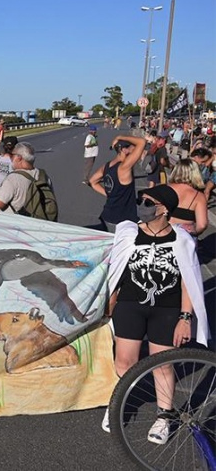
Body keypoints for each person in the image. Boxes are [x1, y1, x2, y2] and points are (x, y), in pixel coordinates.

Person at [103, 184, 208, 442]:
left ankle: (164, 416)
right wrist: (111, 300)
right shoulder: (128, 233)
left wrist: (185, 318)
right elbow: (116, 269)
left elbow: (188, 281)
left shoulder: (182, 240)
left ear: (164, 209)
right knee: (124, 362)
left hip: (166, 308)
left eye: (149, 202)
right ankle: (118, 404)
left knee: (162, 365)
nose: (142, 205)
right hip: (130, 305)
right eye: (141, 200)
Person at [89, 135, 146, 231]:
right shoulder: (124, 167)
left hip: (107, 215)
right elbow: (142, 142)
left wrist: (109, 193)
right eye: (133, 147)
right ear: (124, 150)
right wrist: (120, 137)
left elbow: (92, 181)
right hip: (122, 220)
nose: (135, 150)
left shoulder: (107, 166)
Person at [0, 142, 48, 214]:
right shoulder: (43, 175)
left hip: (14, 222)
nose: (11, 158)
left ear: (19, 158)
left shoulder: (13, 178)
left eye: (12, 155)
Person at [167, 159, 209, 236]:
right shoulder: (199, 196)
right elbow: (202, 225)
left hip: (163, 232)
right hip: (183, 236)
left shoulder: (164, 189)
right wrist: (194, 232)